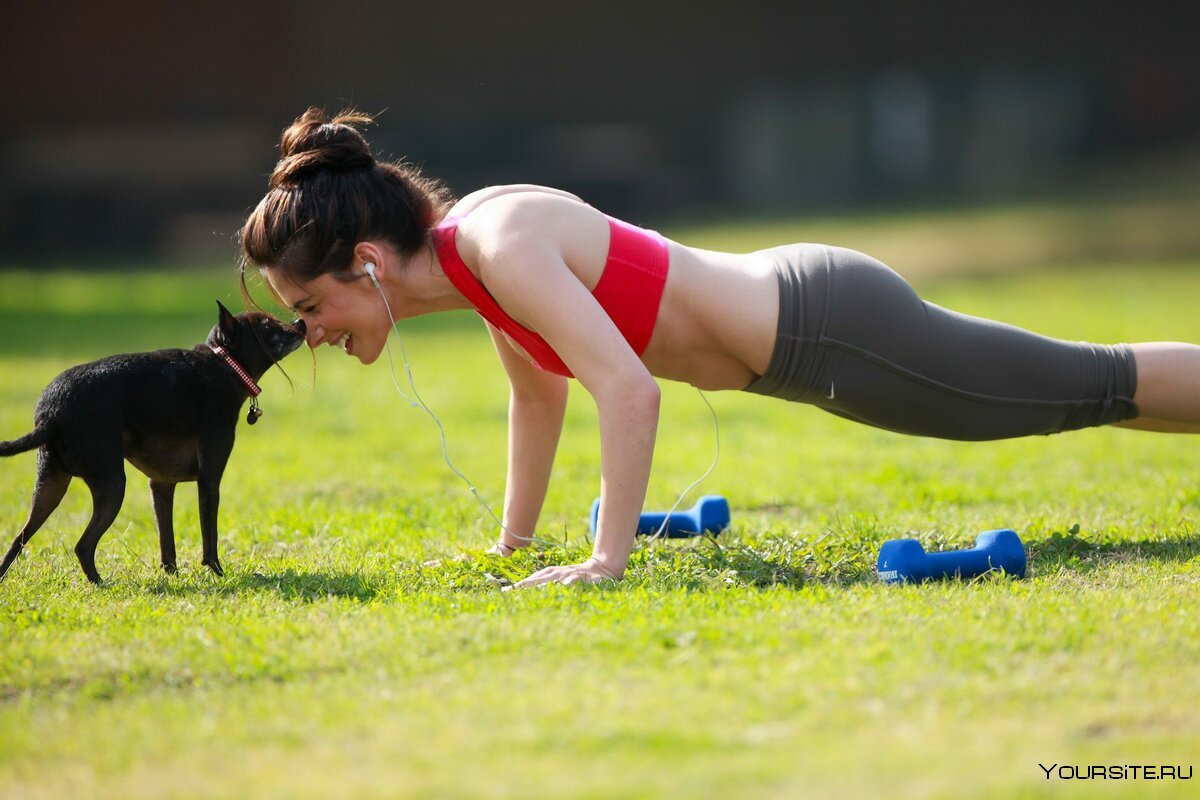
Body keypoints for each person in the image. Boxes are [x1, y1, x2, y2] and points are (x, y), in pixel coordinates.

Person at [240, 108, 1200, 589]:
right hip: (814, 337)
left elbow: (627, 391)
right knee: (1087, 392)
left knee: (1087, 385)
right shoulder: (478, 264)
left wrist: (607, 562)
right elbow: (540, 399)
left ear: (366, 263)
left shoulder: (500, 243)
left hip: (829, 327)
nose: (308, 334)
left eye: (309, 305)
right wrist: (512, 547)